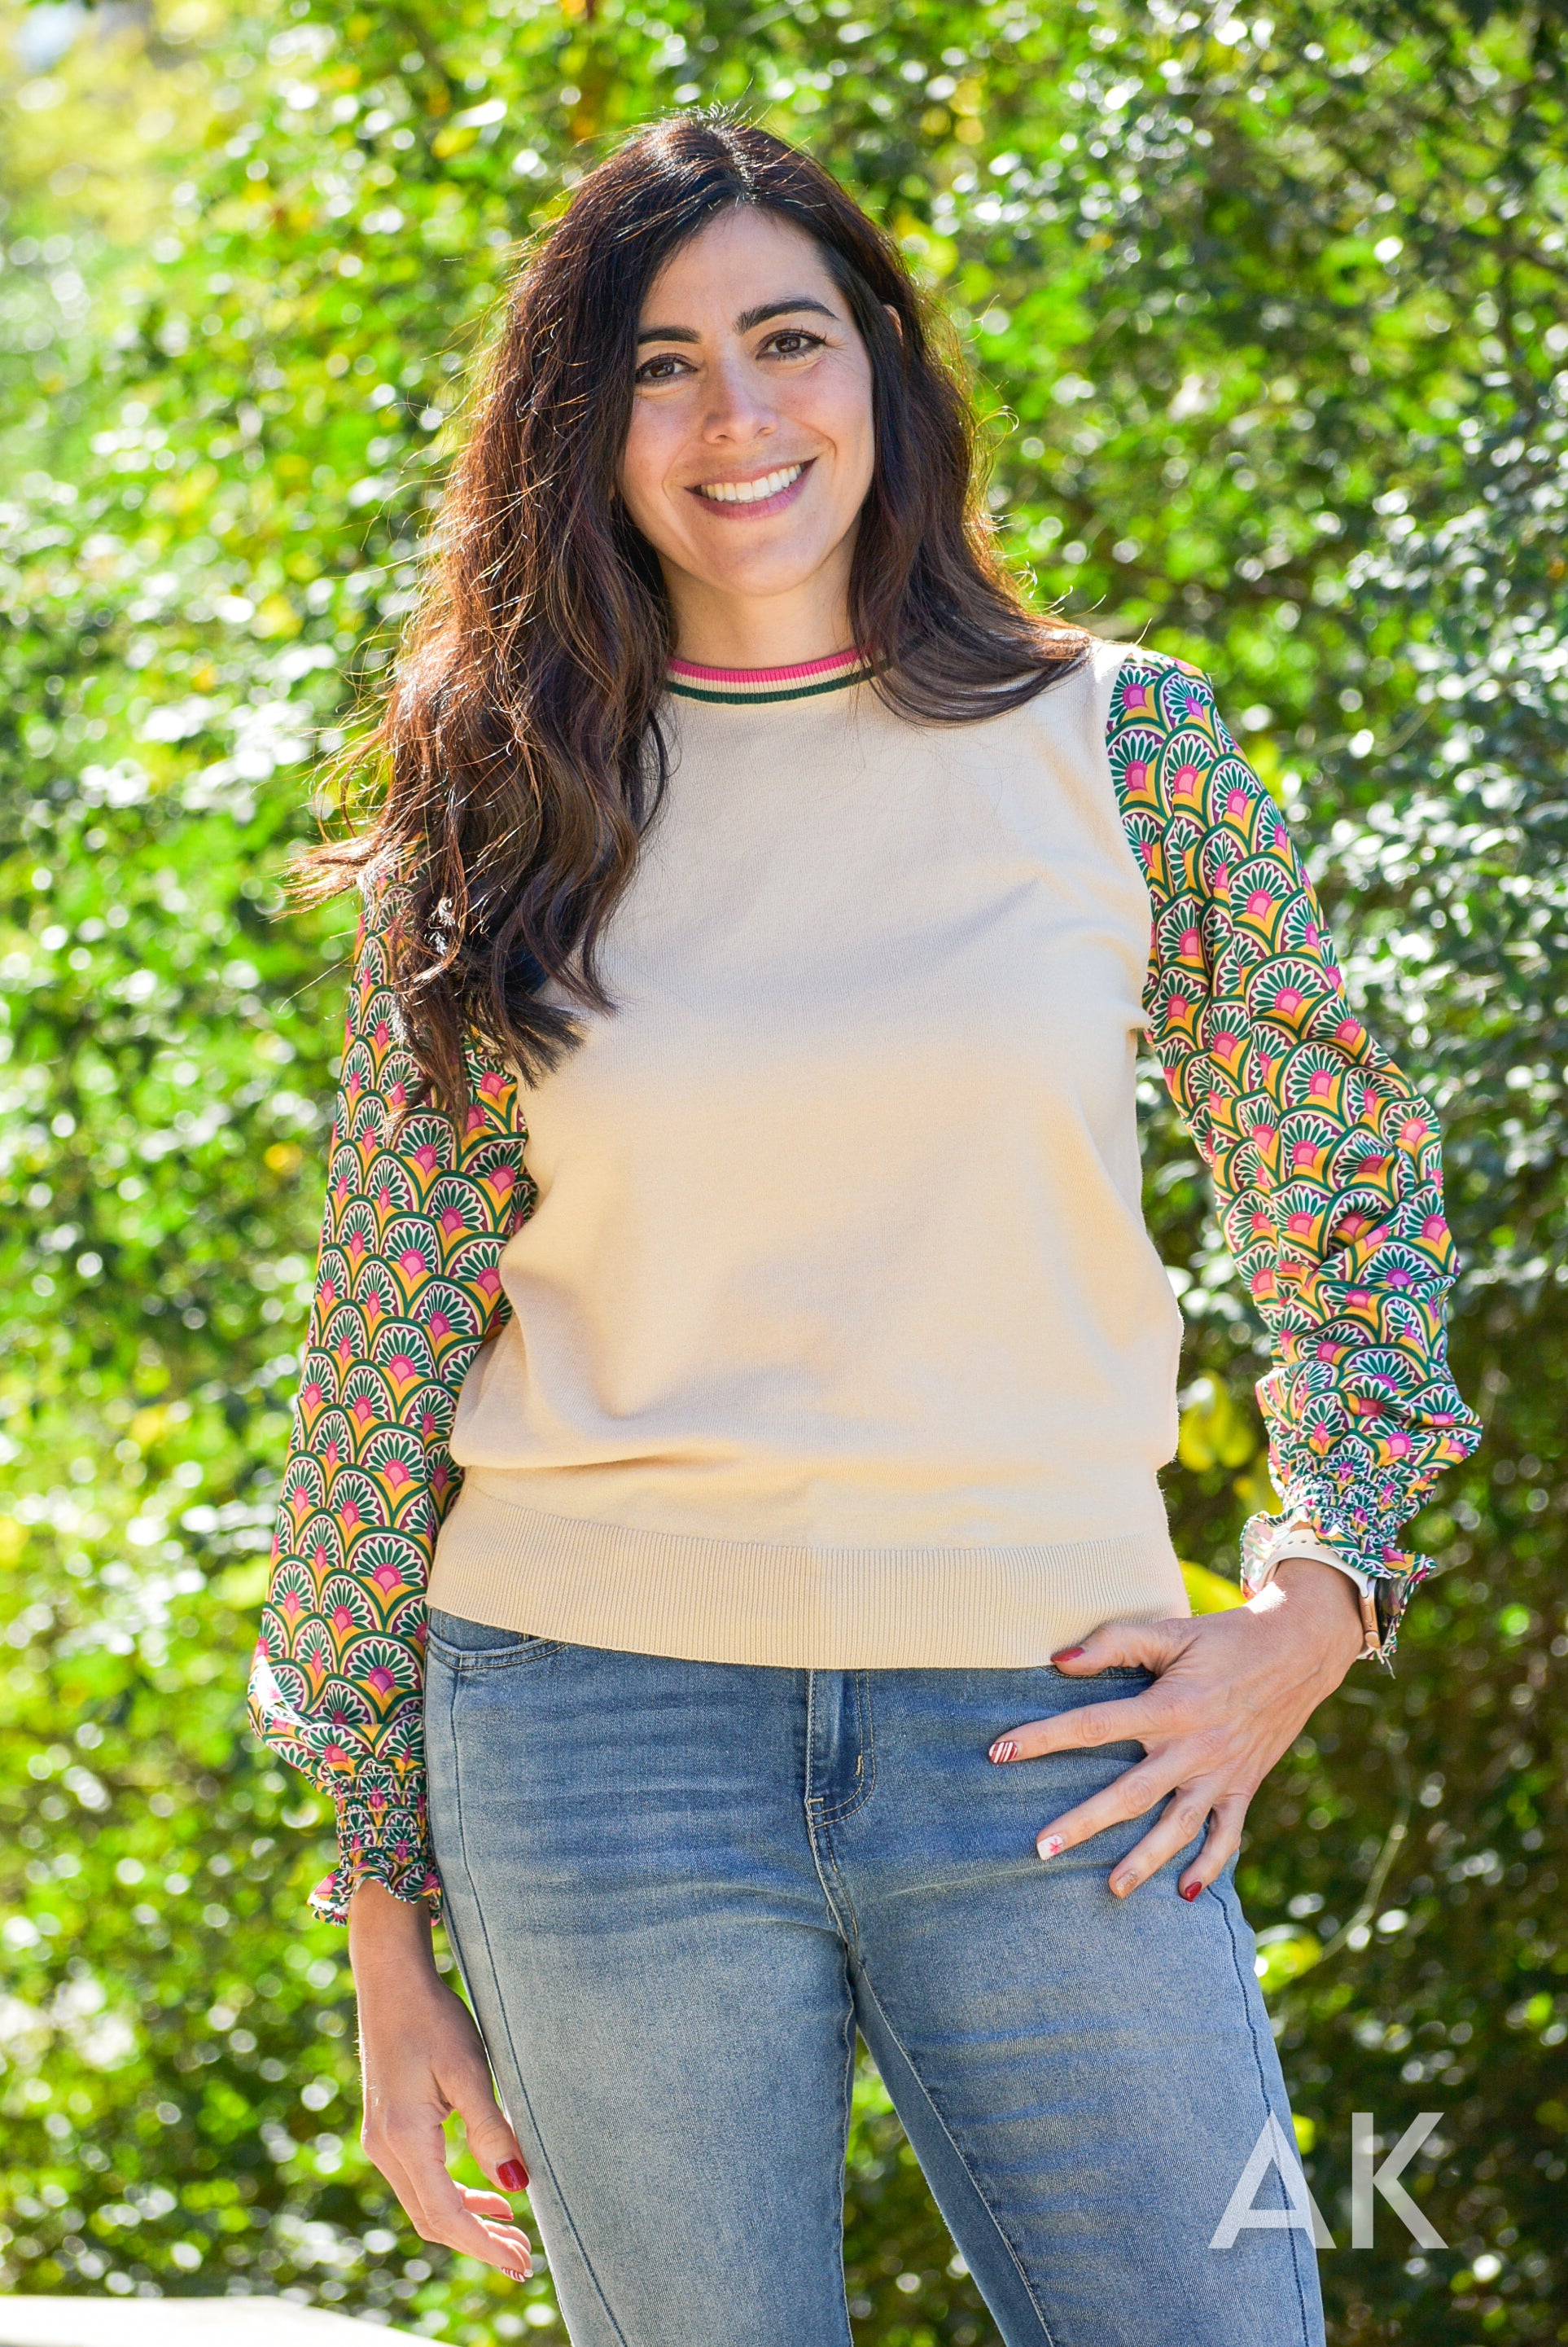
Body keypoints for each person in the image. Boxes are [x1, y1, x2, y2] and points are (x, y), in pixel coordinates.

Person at [249, 110, 1479, 2347]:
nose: (738, 415)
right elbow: (385, 1339)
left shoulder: (1123, 746)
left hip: (1059, 1729)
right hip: (589, 1742)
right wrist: (384, 1930)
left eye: (789, 339)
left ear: (885, 370)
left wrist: (1322, 1594)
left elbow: (1346, 1180)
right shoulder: (507, 803)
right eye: (661, 364)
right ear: (583, 427)